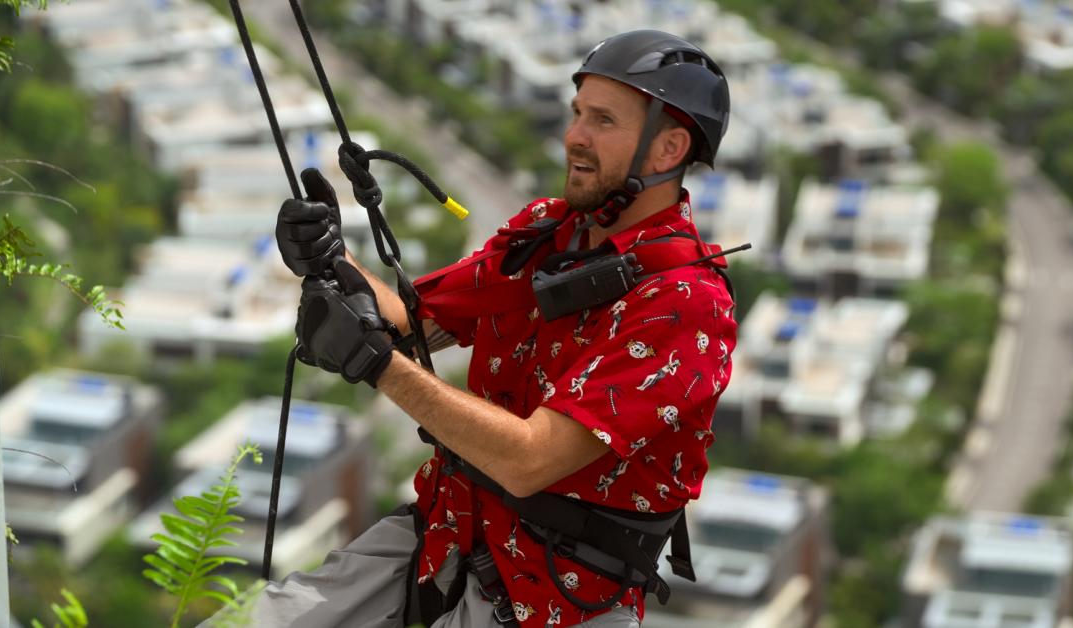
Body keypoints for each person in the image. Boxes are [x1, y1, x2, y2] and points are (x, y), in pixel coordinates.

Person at [255, 30, 736, 628]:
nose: (574, 137)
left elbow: (529, 460)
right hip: (447, 531)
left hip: (562, 597)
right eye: (577, 113)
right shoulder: (548, 233)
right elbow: (412, 323)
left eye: (603, 121)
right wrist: (333, 260)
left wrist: (375, 362)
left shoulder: (687, 306)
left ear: (668, 150)